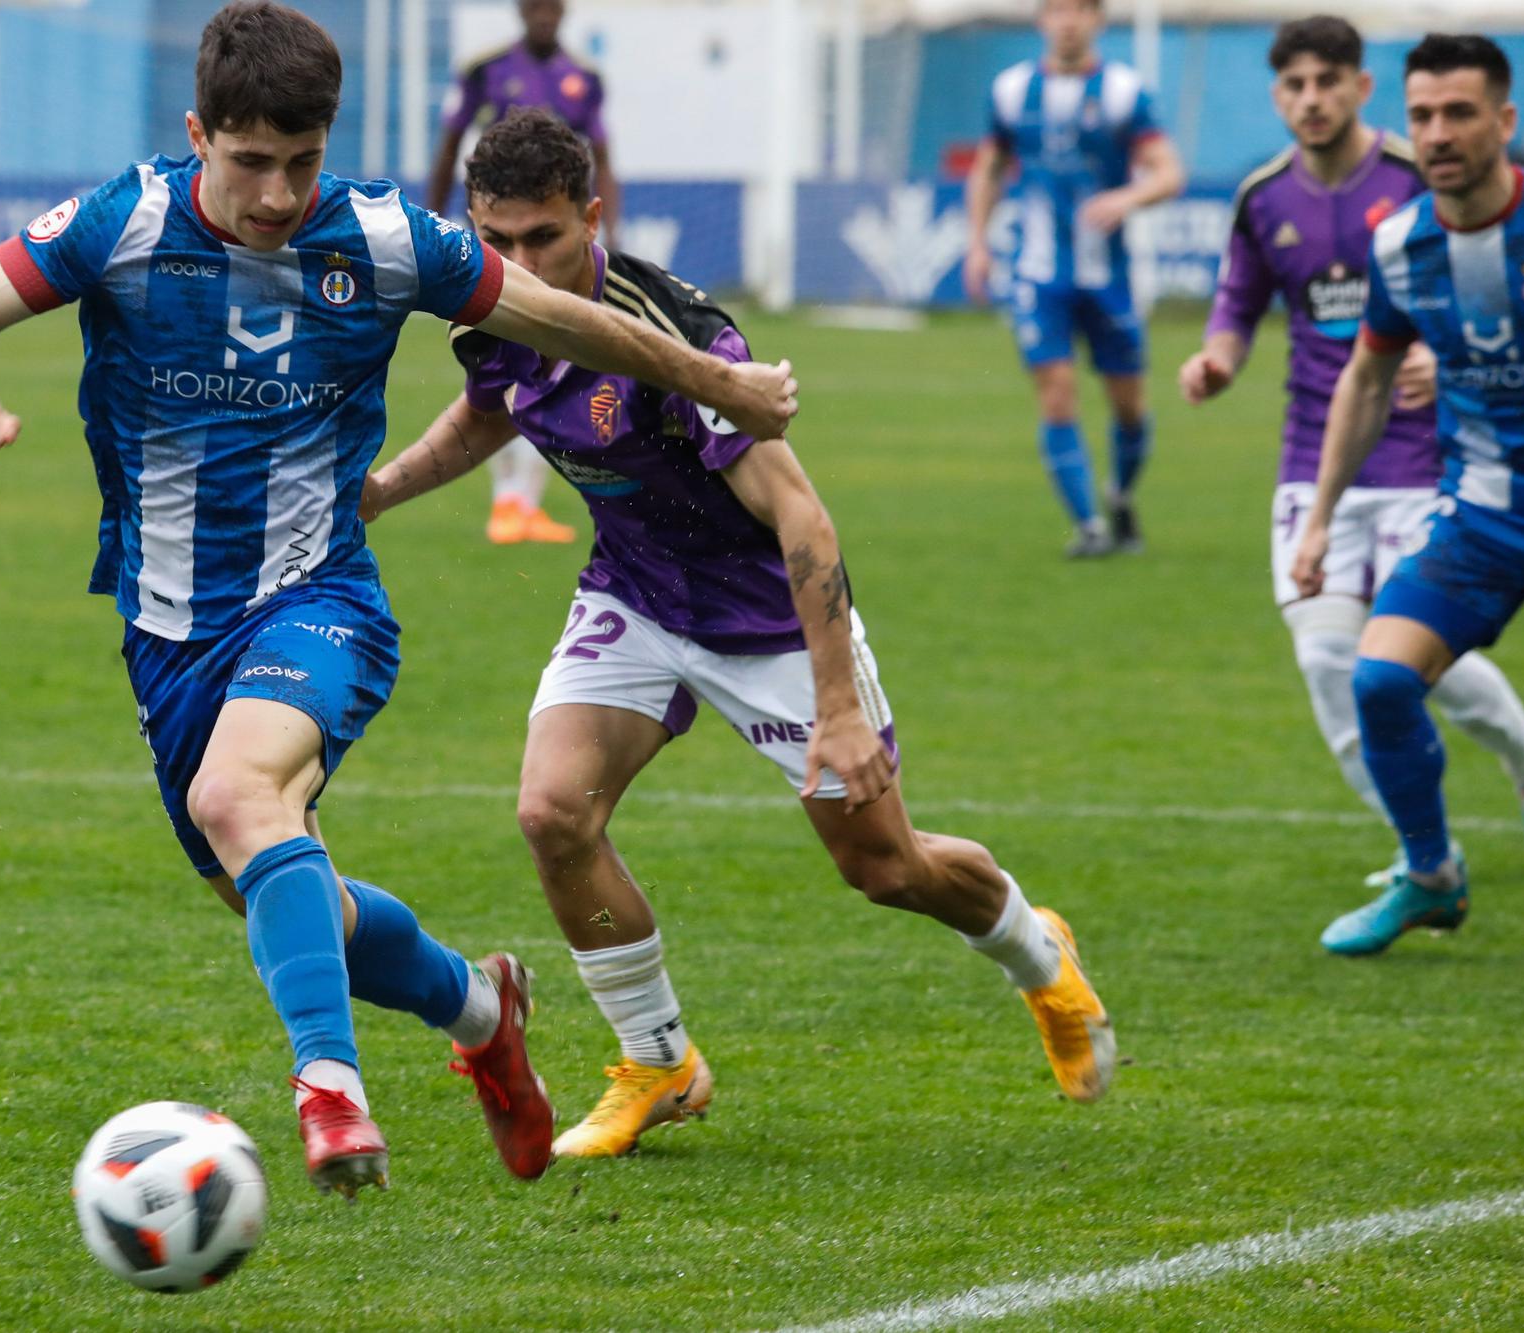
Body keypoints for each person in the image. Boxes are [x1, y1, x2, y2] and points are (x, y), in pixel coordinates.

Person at [0, 2, 797, 1196]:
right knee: (273, 878)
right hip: (165, 628)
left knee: (237, 794)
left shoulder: (381, 240)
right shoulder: (124, 222)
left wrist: (714, 375)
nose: (274, 193)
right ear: (197, 131)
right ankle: (479, 1007)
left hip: (319, 595)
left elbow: (567, 318)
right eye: (249, 161)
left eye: (301, 162)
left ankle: (330, 1091)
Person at [364, 109, 1115, 1159]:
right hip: (633, 592)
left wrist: (840, 707)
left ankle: (1038, 953)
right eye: (499, 240)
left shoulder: (674, 335)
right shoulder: (487, 305)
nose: (520, 264)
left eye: (544, 239)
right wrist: (383, 491)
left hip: (765, 617)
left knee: (886, 869)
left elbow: (800, 512)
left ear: (592, 216)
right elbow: (491, 407)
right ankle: (658, 1062)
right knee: (550, 813)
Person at [1179, 16, 1524, 887]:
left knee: (1410, 656)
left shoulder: (1421, 178)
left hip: (1427, 455)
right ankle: (1420, 848)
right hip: (1314, 453)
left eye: (1330, 81)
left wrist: (1449, 351)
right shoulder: (1263, 198)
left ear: (1363, 88)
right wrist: (1217, 357)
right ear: (1277, 94)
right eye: (1295, 85)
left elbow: (1497, 293)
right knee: (1329, 660)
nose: (1312, 100)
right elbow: (1238, 305)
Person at [1292, 33, 1524, 956]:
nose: (1438, 132)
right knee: (1379, 679)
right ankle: (1430, 875)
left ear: (1504, 120)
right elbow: (1368, 381)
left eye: (1460, 112)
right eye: (1422, 115)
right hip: (1485, 514)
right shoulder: (1402, 243)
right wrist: (1317, 520)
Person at [964, 0, 1184, 558]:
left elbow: (1169, 172)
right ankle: (1088, 527)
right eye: (1057, 9)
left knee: (1129, 405)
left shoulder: (1123, 92)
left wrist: (1127, 196)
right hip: (1039, 275)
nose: (1068, 20)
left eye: (1080, 9)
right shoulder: (1012, 90)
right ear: (1042, 20)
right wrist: (978, 244)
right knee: (1057, 396)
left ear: (1097, 20)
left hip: (1107, 274)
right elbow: (989, 167)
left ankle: (1120, 494)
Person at [428, 0, 619, 547]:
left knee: (545, 363)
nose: (543, 15)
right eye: (534, 6)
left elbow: (603, 154)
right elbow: (450, 148)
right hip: (500, 240)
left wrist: (610, 229)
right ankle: (511, 501)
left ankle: (518, 503)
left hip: (551, 243)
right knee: (511, 359)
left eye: (552, 7)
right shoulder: (486, 70)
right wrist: (428, 222)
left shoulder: (584, 78)